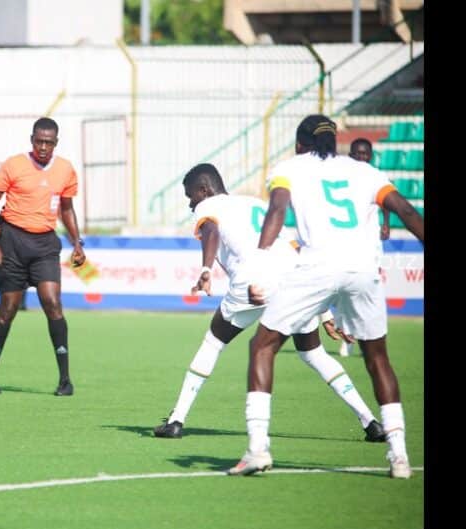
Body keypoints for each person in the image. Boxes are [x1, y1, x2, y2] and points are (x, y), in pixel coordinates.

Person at [229, 114, 423, 479]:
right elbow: (406, 211)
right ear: (336, 143)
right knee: (377, 358)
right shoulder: (364, 171)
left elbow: (276, 211)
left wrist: (257, 269)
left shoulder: (289, 169)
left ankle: (257, 448)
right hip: (364, 271)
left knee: (263, 345)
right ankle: (399, 457)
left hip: (317, 267)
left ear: (300, 144)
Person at [152, 163, 384, 444]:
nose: (190, 204)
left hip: (251, 283)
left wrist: (204, 269)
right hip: (291, 280)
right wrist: (323, 313)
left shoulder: (208, 206)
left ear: (204, 190)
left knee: (213, 343)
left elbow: (210, 232)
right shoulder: (257, 204)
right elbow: (294, 250)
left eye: (190, 196)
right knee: (313, 353)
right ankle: (370, 421)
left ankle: (176, 420)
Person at [0, 117, 85, 396]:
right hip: (12, 242)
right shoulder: (13, 165)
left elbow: (66, 209)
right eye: (39, 141)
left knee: (52, 303)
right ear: (32, 140)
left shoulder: (65, 170)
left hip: (45, 245)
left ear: (56, 143)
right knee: (7, 312)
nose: (43, 147)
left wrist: (77, 243)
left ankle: (65, 380)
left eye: (48, 142)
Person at [338, 137, 389, 357]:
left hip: (372, 246)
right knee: (344, 292)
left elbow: (387, 201)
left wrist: (386, 223)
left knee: (371, 292)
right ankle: (347, 335)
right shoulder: (345, 179)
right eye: (357, 154)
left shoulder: (377, 176)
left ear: (370, 156)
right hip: (348, 243)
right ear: (351, 156)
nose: (361, 157)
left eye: (364, 154)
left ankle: (371, 341)